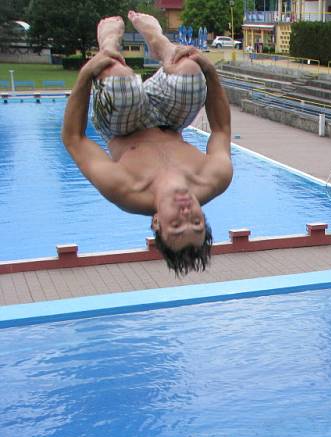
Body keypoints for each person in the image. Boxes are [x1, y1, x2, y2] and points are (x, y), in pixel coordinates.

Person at [61, 12, 233, 276]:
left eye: (176, 223)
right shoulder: (214, 178)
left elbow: (74, 139)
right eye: (196, 221)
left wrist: (86, 75)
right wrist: (209, 71)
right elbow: (220, 129)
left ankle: (108, 45)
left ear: (156, 223)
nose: (186, 213)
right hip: (170, 119)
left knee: (118, 77)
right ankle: (160, 44)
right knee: (190, 70)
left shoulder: (125, 189)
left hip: (122, 125)